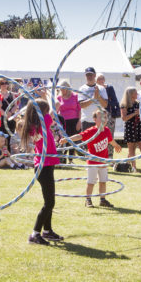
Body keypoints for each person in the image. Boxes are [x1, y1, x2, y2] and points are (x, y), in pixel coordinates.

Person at [21, 98, 64, 245]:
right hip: (44, 167)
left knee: (49, 201)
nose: (48, 113)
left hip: (43, 165)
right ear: (40, 113)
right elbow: (57, 105)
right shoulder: (43, 124)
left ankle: (47, 231)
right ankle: (34, 234)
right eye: (45, 111)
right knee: (49, 203)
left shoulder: (34, 126)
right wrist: (48, 95)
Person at [60, 110, 122, 208]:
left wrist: (116, 145)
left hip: (103, 162)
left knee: (103, 182)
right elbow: (80, 136)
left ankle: (103, 199)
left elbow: (110, 140)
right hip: (93, 162)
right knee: (91, 182)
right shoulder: (92, 131)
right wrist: (68, 139)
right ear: (94, 119)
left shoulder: (106, 130)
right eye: (101, 117)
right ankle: (88, 200)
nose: (104, 120)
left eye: (105, 117)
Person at [120, 87, 141, 172]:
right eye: (136, 93)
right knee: (131, 148)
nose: (137, 94)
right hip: (130, 127)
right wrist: (134, 113)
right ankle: (133, 167)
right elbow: (124, 118)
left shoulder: (138, 103)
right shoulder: (124, 105)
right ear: (131, 94)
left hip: (139, 126)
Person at [56, 79, 81, 162]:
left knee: (72, 140)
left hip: (74, 121)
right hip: (63, 122)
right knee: (63, 140)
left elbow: (80, 109)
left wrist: (79, 121)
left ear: (68, 88)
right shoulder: (58, 98)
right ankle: (62, 157)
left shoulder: (75, 96)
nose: (62, 91)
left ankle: (70, 159)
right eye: (61, 89)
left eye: (63, 89)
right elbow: (56, 110)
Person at [96, 74, 121, 158]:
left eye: (102, 79)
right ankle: (99, 154)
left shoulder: (109, 88)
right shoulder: (94, 89)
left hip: (109, 114)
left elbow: (115, 102)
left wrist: (105, 102)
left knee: (109, 135)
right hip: (97, 114)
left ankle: (110, 155)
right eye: (99, 79)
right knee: (99, 135)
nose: (101, 81)